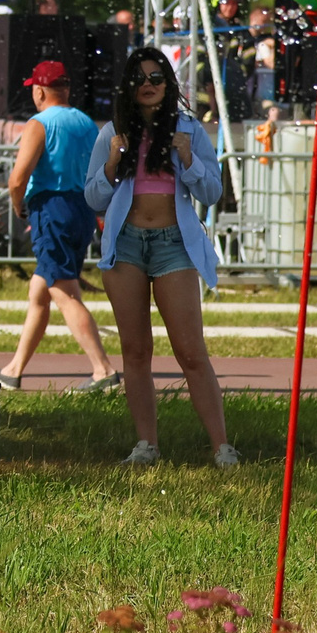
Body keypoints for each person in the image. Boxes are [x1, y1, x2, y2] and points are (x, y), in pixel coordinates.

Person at [85, 47, 235, 467]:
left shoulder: (189, 128)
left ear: (168, 86)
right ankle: (146, 445)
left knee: (190, 351)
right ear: (128, 88)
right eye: (139, 79)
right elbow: (93, 196)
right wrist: (113, 161)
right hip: (126, 245)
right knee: (135, 351)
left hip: (174, 245)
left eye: (156, 78)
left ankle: (222, 446)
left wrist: (187, 158)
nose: (148, 85)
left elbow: (211, 192)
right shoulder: (113, 132)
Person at [0, 61, 119, 393]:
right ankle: (14, 368)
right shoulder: (87, 123)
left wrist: (18, 207)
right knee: (40, 290)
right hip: (82, 209)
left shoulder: (39, 123)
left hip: (52, 208)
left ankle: (102, 369)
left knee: (63, 291)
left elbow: (18, 177)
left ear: (38, 90)